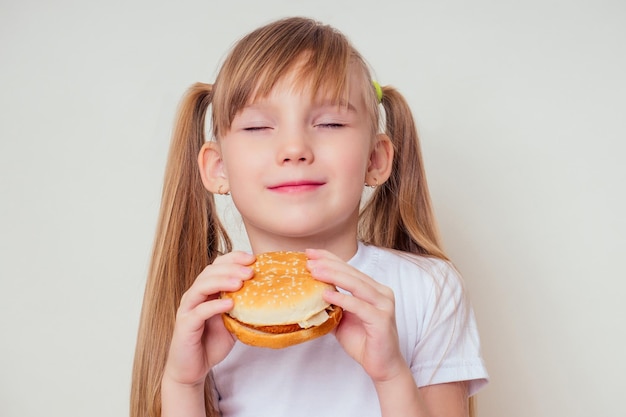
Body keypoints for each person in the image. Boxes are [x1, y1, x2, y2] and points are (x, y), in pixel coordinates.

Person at [130, 16, 488, 417]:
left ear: (375, 159)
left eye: (330, 122)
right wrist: (184, 383)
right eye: (258, 126)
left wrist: (391, 376)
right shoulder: (209, 307)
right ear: (218, 169)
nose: (294, 148)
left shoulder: (429, 289)